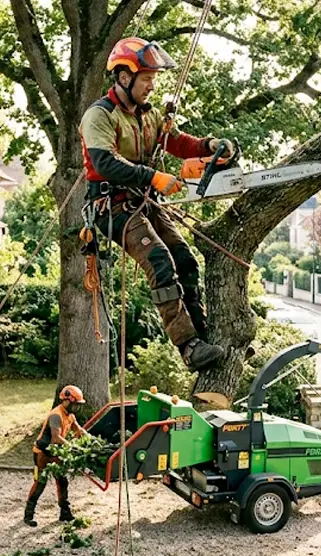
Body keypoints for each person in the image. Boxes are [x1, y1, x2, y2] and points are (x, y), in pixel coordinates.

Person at [79, 36, 234, 372]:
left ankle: (203, 334)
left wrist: (209, 144)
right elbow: (105, 163)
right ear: (124, 77)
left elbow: (176, 142)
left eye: (153, 79)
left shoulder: (148, 117)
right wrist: (153, 177)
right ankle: (188, 348)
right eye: (146, 79)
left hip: (143, 200)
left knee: (184, 259)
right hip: (112, 207)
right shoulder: (100, 116)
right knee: (160, 261)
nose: (151, 87)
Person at [24, 385, 88, 527]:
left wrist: (90, 439)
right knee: (40, 483)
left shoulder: (70, 415)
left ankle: (65, 513)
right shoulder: (56, 415)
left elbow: (78, 430)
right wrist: (72, 447)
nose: (76, 408)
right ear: (67, 400)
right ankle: (28, 515)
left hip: (56, 453)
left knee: (62, 481)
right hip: (42, 453)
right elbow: (56, 437)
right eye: (75, 404)